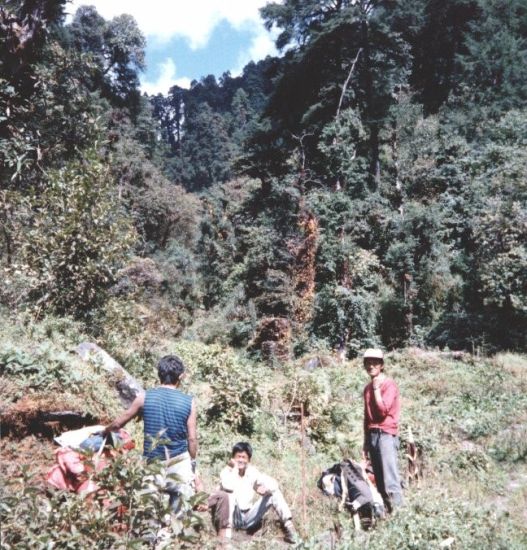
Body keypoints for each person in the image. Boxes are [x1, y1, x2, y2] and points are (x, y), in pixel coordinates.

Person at [104, 355, 197, 510]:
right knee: (179, 512)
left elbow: (120, 422)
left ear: (159, 374)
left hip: (153, 462)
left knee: (150, 512)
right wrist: (193, 461)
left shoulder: (145, 397)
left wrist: (104, 431)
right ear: (181, 376)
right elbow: (192, 438)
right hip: (180, 461)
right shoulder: (189, 401)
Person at [207, 442, 298, 544]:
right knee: (230, 495)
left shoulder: (252, 472)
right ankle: (227, 537)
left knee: (274, 494)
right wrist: (234, 469)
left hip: (249, 517)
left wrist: (264, 488)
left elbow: (274, 485)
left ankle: (290, 530)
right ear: (233, 458)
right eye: (238, 457)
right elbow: (228, 486)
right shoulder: (226, 472)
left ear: (249, 460)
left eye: (244, 457)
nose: (241, 460)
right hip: (232, 516)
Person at [362, 348, 403, 512]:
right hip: (372, 435)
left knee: (390, 478)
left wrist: (377, 390)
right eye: (368, 363)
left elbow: (382, 411)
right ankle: (387, 512)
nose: (371, 366)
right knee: (378, 478)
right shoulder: (367, 389)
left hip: (386, 434)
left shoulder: (389, 385)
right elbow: (367, 417)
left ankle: (399, 515)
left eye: (375, 362)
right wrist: (365, 442)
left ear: (382, 365)